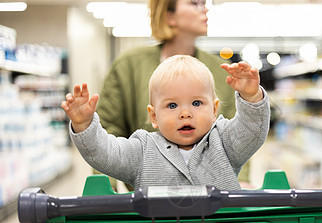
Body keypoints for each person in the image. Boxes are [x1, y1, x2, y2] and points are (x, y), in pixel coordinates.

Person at [61, 55, 269, 223]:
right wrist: (86, 126)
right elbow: (108, 154)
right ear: (154, 116)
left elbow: (251, 132)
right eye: (172, 106)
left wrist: (251, 98)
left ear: (214, 110)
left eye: (196, 103)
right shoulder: (143, 149)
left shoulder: (224, 140)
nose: (185, 113)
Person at [96, 0, 251, 184]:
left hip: (214, 202)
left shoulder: (220, 69)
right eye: (195, 3)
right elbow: (109, 129)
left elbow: (237, 131)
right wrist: (105, 189)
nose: (205, 9)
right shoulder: (128, 65)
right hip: (151, 201)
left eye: (205, 3)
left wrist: (241, 181)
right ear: (169, 15)